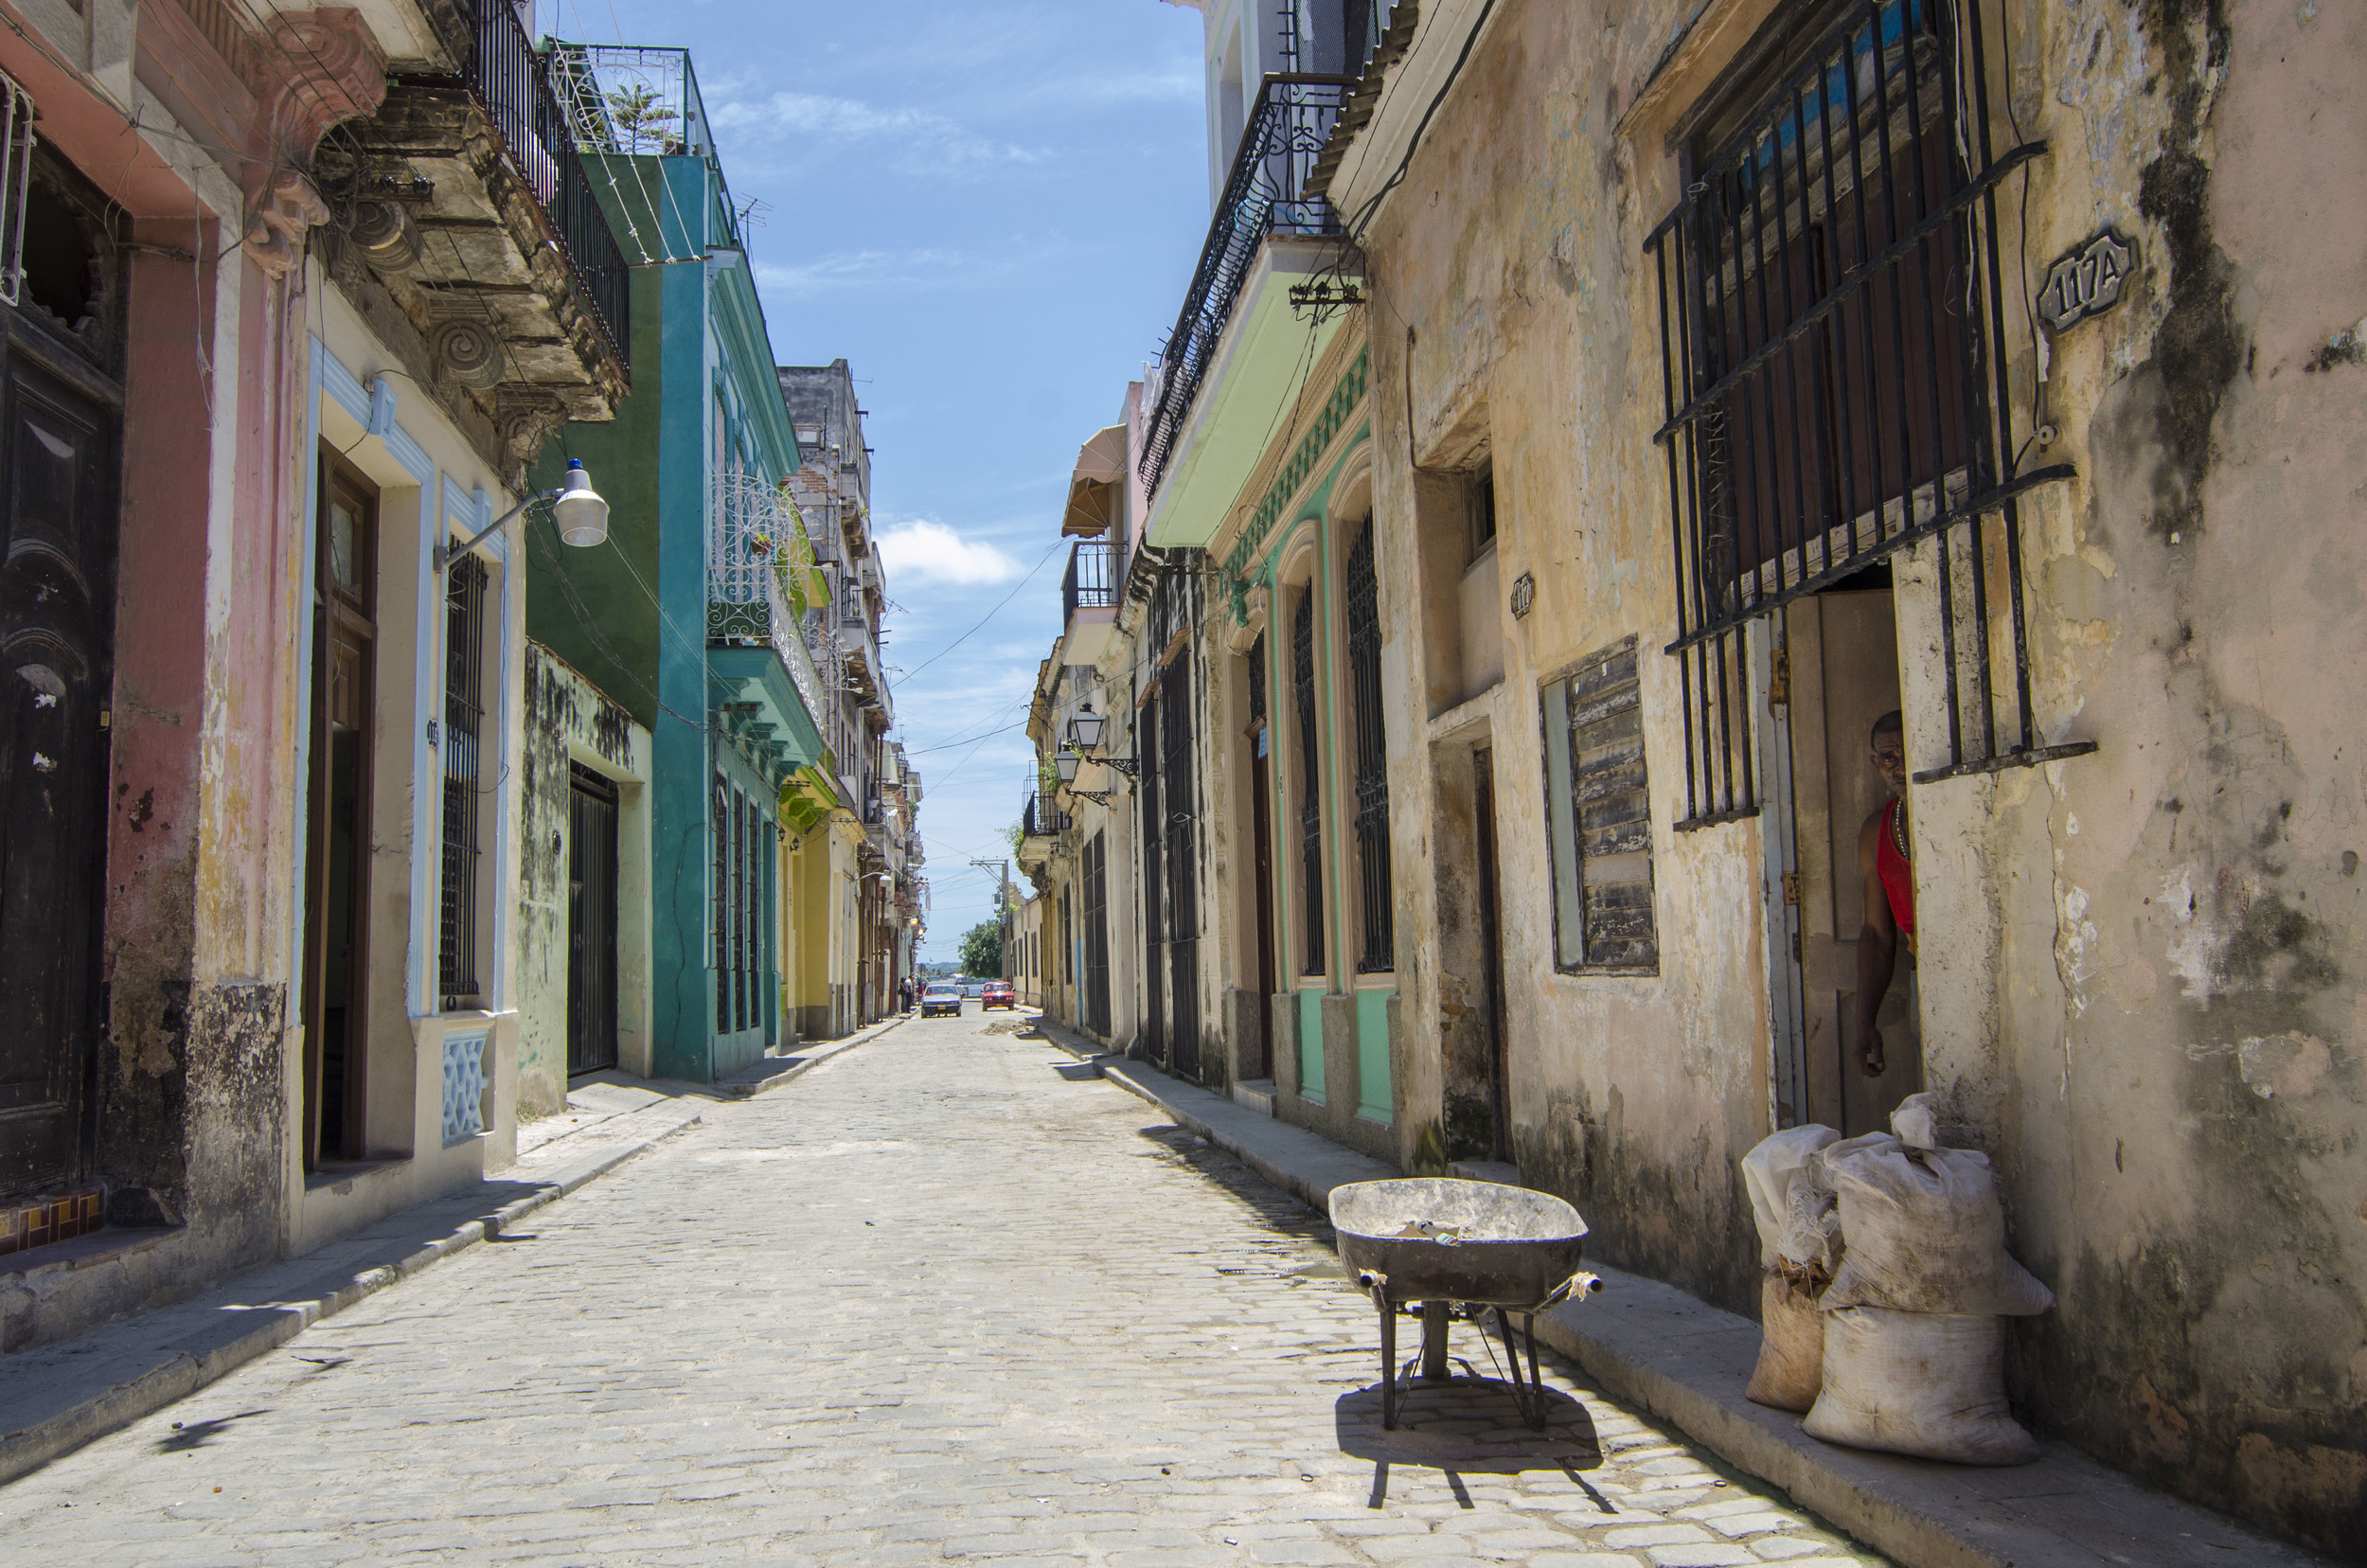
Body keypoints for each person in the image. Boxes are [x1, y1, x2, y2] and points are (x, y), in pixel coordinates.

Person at [1853, 710, 1912, 1078]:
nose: (1902, 768)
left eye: (1909, 752)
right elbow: (1878, 934)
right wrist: (1864, 1022)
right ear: (1877, 765)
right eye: (1890, 758)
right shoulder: (1877, 830)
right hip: (1930, 978)